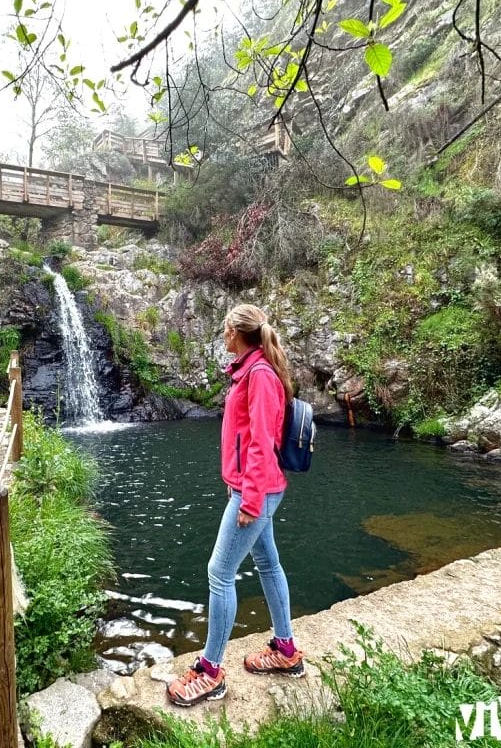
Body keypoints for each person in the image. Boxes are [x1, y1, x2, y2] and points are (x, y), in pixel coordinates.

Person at [166, 303, 304, 708]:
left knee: (219, 573)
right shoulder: (253, 369)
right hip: (255, 487)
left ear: (237, 334)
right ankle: (285, 649)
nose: (223, 337)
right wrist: (241, 486)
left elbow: (261, 442)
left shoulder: (259, 376)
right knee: (268, 563)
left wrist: (251, 498)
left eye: (226, 330)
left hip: (256, 491)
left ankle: (210, 673)